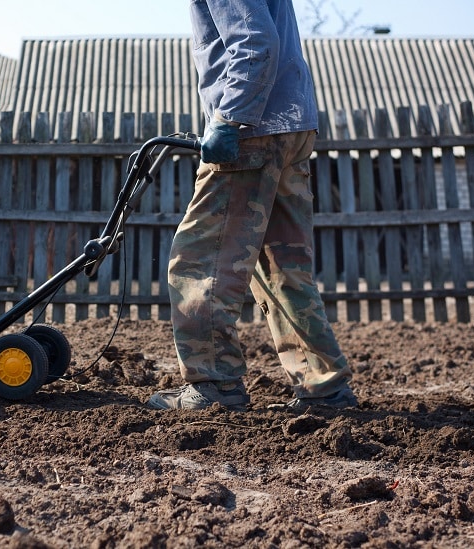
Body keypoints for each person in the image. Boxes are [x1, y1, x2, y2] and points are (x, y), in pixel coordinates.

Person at [148, 0, 357, 411]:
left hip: (252, 131)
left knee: (199, 260)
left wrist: (229, 117)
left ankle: (215, 384)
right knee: (283, 266)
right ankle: (324, 387)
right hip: (292, 123)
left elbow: (255, 40)